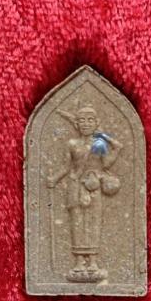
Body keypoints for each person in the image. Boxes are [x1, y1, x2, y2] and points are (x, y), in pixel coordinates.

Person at [47, 104, 122, 281]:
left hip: (93, 186)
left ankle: (93, 262)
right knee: (77, 223)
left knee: (94, 222)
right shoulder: (72, 144)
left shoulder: (99, 144)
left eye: (90, 120)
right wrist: (54, 179)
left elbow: (106, 163)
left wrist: (110, 142)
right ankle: (79, 262)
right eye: (82, 120)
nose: (86, 124)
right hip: (75, 186)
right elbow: (67, 167)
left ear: (96, 123)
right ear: (77, 124)